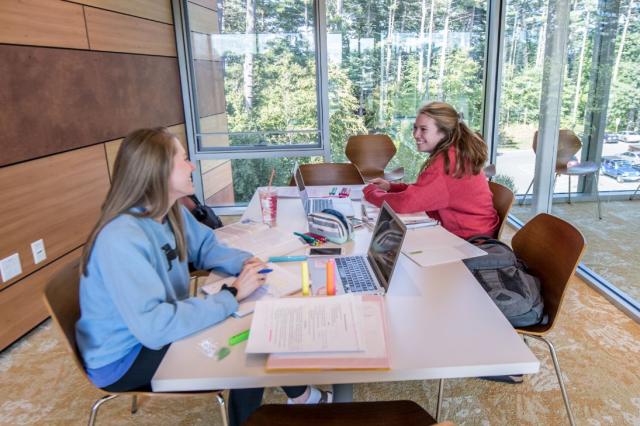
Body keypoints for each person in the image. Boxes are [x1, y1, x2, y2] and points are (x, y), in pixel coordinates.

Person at [75, 127, 329, 426]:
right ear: (158, 170)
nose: (192, 165)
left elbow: (207, 247)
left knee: (256, 320)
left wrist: (246, 262)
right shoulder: (121, 239)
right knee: (250, 346)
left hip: (154, 331)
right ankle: (286, 403)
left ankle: (298, 396)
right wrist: (232, 294)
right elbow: (155, 328)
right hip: (124, 358)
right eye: (183, 159)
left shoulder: (169, 211)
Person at [363, 102, 499, 239]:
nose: (416, 134)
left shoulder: (447, 162)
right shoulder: (453, 154)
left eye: (423, 129)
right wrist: (390, 187)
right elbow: (426, 191)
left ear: (444, 132)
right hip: (473, 232)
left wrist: (371, 192)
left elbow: (406, 203)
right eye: (415, 128)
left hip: (471, 241)